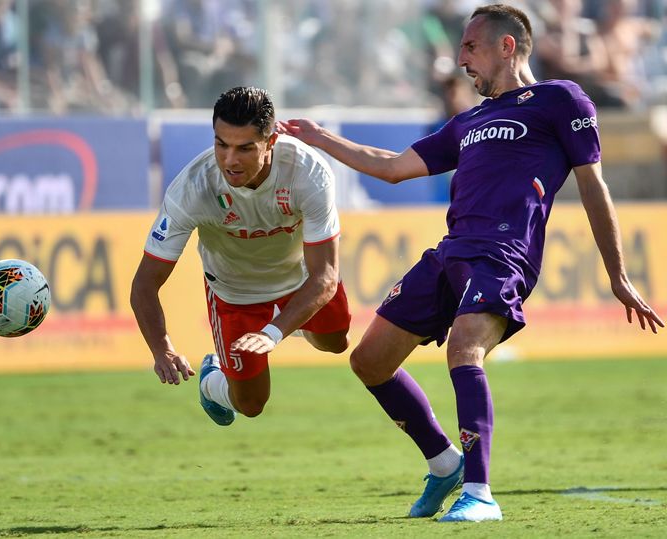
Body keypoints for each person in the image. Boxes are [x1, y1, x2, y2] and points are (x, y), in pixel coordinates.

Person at [277, 3, 663, 523]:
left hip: (505, 256)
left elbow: (594, 186)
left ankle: (480, 493)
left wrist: (617, 275)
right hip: (451, 252)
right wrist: (320, 137)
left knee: (464, 349)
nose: (461, 58)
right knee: (368, 361)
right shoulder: (470, 121)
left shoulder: (560, 100)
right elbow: (392, 168)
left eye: (470, 46)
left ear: (507, 46)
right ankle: (443, 463)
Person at [130, 86, 351, 426]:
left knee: (336, 343)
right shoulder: (192, 189)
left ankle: (290, 322)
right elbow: (144, 284)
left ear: (271, 142)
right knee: (250, 405)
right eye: (222, 145)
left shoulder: (307, 172)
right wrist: (162, 348)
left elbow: (325, 276)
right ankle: (210, 380)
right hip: (236, 294)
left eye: (245, 148)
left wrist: (274, 331)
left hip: (302, 280)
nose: (230, 160)